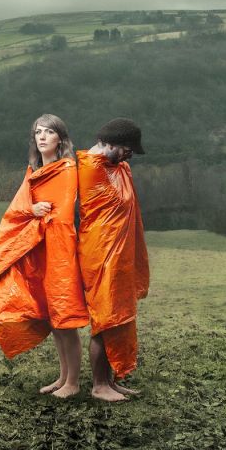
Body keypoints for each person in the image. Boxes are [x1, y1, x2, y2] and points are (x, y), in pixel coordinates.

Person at [0, 114, 89, 398]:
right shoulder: (34, 170)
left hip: (60, 251)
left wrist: (38, 215)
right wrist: (32, 211)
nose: (42, 137)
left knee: (64, 318)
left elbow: (62, 217)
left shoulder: (66, 169)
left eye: (49, 132)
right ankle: (62, 377)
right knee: (52, 318)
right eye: (38, 132)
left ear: (60, 139)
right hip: (38, 251)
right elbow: (17, 210)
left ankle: (73, 383)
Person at [77, 118, 150, 402]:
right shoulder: (90, 169)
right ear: (108, 143)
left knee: (117, 318)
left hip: (119, 257)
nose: (130, 156)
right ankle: (99, 386)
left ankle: (110, 381)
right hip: (101, 256)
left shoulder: (116, 167)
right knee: (105, 319)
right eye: (127, 149)